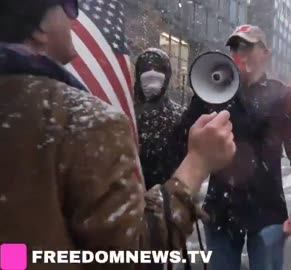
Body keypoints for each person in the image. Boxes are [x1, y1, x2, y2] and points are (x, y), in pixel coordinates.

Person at [0, 1, 236, 270]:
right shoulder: (86, 121)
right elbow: (130, 257)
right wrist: (197, 164)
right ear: (39, 26)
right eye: (68, 6)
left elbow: (17, 250)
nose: (73, 17)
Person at [177, 25, 291, 270]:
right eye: (236, 47)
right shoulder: (216, 94)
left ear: (265, 53)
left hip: (267, 212)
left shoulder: (283, 97)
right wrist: (202, 96)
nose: (241, 53)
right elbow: (183, 137)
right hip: (220, 211)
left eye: (248, 46)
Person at [134, 48, 185, 189]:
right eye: (145, 69)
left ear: (167, 75)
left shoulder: (181, 116)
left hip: (168, 196)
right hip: (134, 196)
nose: (151, 74)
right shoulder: (128, 114)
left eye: (157, 69)